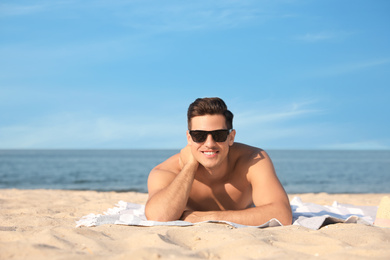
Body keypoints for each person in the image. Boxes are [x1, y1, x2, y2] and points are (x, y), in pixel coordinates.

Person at [145, 97, 292, 226]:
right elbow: (158, 217)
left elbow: (282, 215)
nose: (209, 143)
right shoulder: (167, 171)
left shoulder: (252, 160)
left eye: (219, 135)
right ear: (189, 138)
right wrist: (190, 166)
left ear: (231, 137)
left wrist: (208, 217)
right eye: (199, 136)